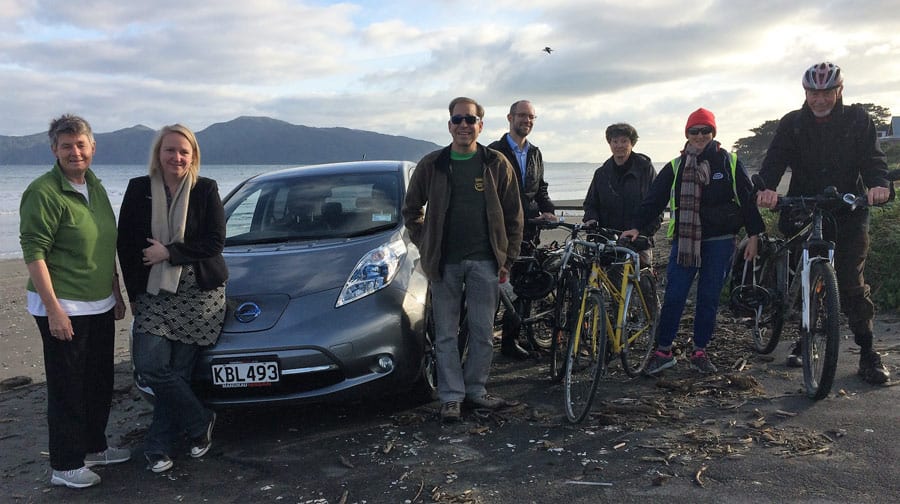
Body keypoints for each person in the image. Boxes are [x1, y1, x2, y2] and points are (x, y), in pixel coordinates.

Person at [756, 62, 891, 384]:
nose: (820, 99)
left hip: (848, 208)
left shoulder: (858, 119)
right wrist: (766, 189)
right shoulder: (793, 123)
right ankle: (804, 337)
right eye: (813, 93)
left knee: (849, 281)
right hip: (804, 205)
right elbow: (775, 160)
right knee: (804, 277)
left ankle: (868, 352)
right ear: (805, 92)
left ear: (839, 90)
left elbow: (873, 159)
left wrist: (878, 185)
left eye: (827, 92)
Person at [19, 114, 130, 489]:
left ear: (92, 148)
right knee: (68, 386)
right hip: (64, 304)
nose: (74, 152)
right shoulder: (43, 192)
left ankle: (94, 446)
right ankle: (65, 464)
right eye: (66, 146)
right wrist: (53, 309)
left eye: (80, 144)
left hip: (98, 302)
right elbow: (34, 251)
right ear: (54, 150)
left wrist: (115, 290)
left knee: (99, 380)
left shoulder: (94, 186)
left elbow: (105, 241)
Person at [402, 97, 524, 422]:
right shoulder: (432, 165)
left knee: (483, 330)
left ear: (480, 126)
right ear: (449, 126)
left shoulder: (496, 163)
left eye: (470, 120)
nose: (464, 126)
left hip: (486, 261)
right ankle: (451, 397)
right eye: (458, 120)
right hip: (444, 264)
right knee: (445, 333)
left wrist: (508, 257)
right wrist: (426, 243)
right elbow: (410, 211)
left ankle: (476, 390)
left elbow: (514, 215)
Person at [117, 124, 227, 473]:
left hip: (199, 293)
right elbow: (126, 244)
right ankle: (200, 421)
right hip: (153, 291)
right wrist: (133, 294)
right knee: (150, 366)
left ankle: (159, 445)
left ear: (193, 156)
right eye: (170, 150)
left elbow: (214, 243)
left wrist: (170, 252)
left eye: (184, 151)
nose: (176, 157)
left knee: (178, 370)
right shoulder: (138, 189)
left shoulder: (205, 189)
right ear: (158, 154)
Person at [622, 108, 764, 375]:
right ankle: (663, 351)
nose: (699, 136)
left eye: (705, 130)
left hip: (720, 241)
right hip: (685, 243)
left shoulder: (728, 162)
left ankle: (700, 350)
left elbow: (748, 200)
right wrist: (635, 227)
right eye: (694, 131)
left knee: (708, 298)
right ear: (686, 134)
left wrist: (754, 236)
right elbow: (654, 199)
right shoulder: (676, 166)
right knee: (675, 296)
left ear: (713, 133)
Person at [488, 99, 556, 359]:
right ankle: (482, 343)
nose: (526, 121)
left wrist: (548, 209)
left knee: (522, 289)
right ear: (510, 117)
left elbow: (540, 189)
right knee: (496, 290)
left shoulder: (536, 153)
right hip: (500, 232)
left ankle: (510, 343)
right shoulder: (494, 152)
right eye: (522, 116)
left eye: (531, 117)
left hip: (529, 233)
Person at [583, 122, 660, 266]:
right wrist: (591, 219)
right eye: (615, 141)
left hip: (638, 239)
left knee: (640, 284)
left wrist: (642, 231)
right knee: (605, 283)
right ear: (609, 143)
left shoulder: (645, 169)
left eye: (624, 141)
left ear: (632, 143)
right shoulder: (601, 173)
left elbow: (656, 206)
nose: (619, 145)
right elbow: (590, 204)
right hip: (608, 240)